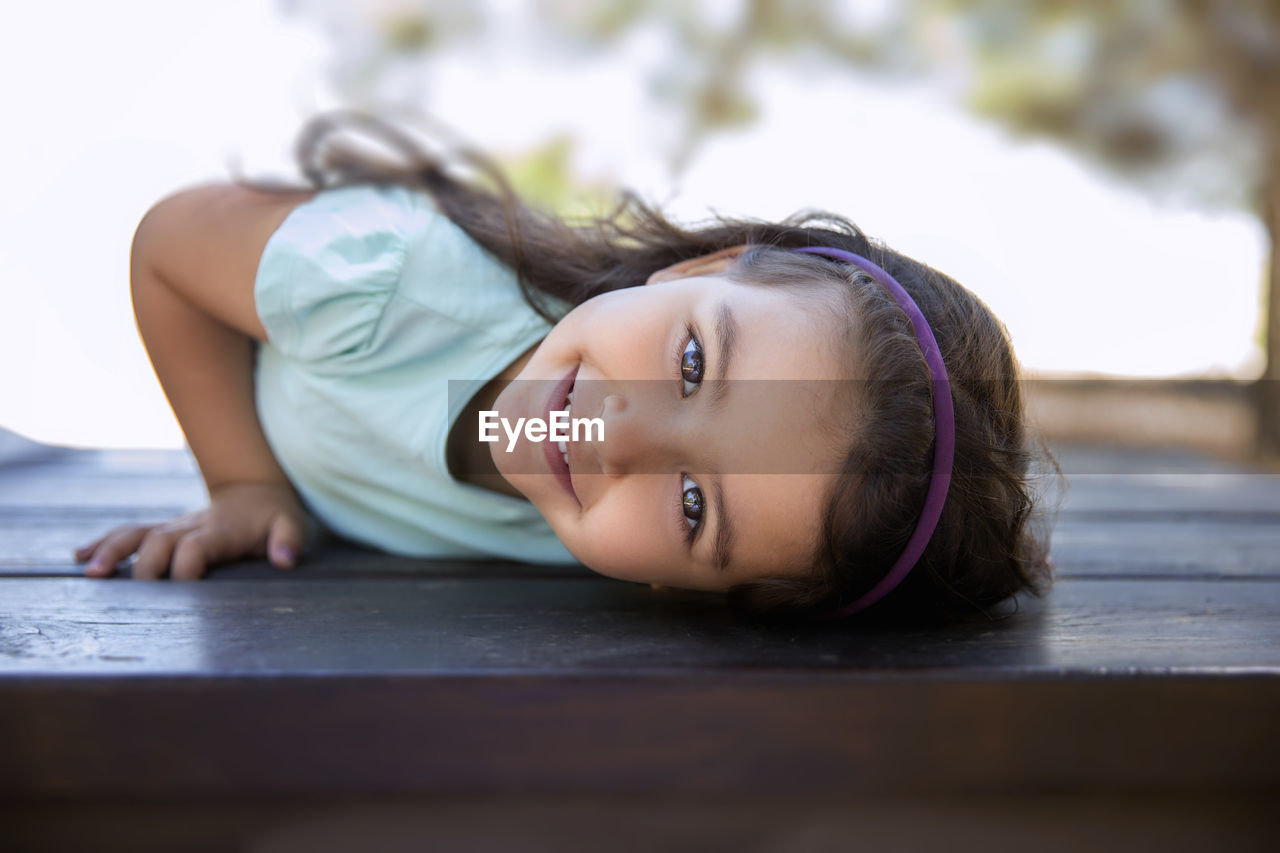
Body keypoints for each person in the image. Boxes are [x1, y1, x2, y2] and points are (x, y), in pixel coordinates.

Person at [74, 110, 1057, 625]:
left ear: (689, 590)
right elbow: (167, 246)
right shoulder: (384, 279)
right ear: (702, 264)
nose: (616, 436)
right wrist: (244, 481)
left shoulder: (617, 548)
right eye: (688, 362)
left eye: (690, 508)